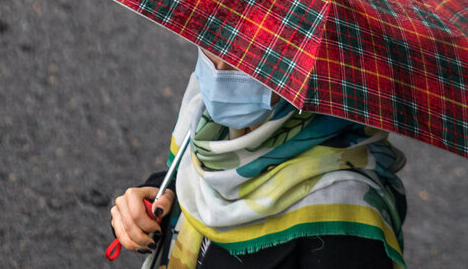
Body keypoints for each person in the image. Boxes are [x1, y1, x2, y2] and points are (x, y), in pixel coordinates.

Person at [110, 47, 407, 268]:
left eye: (247, 52)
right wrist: (141, 211)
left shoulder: (344, 219)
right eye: (214, 36)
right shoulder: (206, 125)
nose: (220, 69)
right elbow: (186, 191)